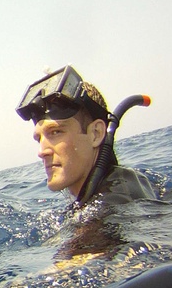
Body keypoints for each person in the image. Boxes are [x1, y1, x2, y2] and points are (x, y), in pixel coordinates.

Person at [16, 65, 157, 204]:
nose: (42, 152)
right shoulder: (129, 181)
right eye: (39, 139)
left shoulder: (112, 204)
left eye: (56, 132)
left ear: (96, 133)